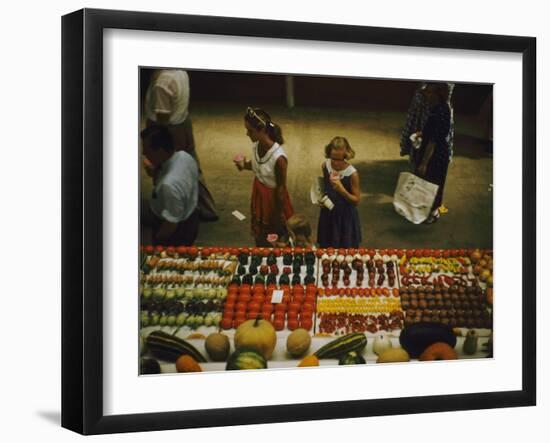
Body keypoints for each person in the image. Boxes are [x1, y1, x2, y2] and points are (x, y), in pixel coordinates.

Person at [144, 68, 218, 221]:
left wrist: (156, 148)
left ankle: (167, 208)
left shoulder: (163, 82)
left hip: (169, 129)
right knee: (192, 165)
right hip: (183, 121)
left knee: (166, 168)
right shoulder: (180, 72)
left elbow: (162, 119)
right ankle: (207, 208)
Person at [235, 107, 294, 246]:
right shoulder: (256, 145)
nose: (247, 134)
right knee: (261, 235)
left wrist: (278, 217)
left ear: (262, 130)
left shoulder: (279, 158)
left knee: (275, 237)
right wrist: (244, 165)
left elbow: (280, 189)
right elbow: (258, 166)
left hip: (273, 200)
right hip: (259, 193)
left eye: (250, 130)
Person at [141, 125, 199, 246]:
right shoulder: (185, 156)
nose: (144, 153)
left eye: (147, 152)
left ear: (161, 152)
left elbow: (171, 223)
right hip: (192, 216)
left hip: (176, 231)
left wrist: (158, 242)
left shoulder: (168, 186)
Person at [414, 82, 453, 224]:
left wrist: (424, 163)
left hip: (436, 154)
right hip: (434, 149)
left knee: (432, 182)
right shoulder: (438, 108)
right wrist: (422, 133)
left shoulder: (440, 111)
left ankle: (433, 212)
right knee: (428, 181)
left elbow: (434, 141)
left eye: (430, 93)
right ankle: (426, 208)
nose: (427, 95)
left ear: (438, 95)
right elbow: (434, 131)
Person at [317, 136, 362, 248]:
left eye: (340, 159)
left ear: (346, 156)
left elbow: (356, 201)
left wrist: (342, 191)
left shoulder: (352, 174)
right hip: (328, 213)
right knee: (326, 247)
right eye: (333, 159)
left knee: (345, 249)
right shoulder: (325, 166)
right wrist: (321, 198)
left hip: (345, 216)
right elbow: (325, 188)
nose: (336, 163)